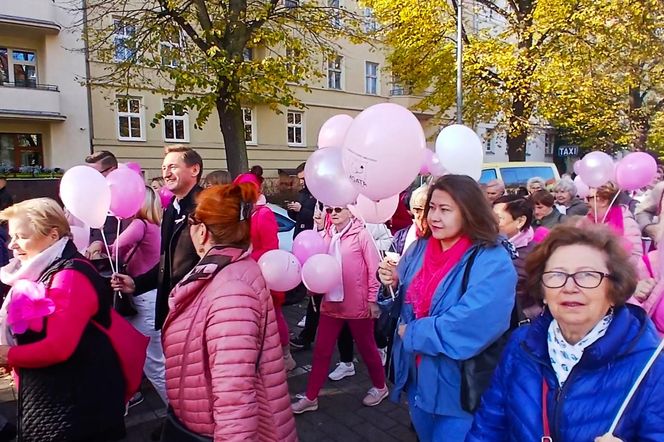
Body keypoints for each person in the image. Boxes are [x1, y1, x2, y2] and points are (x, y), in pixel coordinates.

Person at [467, 225, 664, 441]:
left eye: (587, 275)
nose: (569, 287)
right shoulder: (521, 345)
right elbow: (488, 428)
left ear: (614, 290)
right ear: (542, 292)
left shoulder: (652, 365)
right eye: (557, 275)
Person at [378, 175, 517, 442]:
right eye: (432, 207)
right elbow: (401, 306)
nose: (434, 217)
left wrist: (413, 333)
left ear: (469, 212)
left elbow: (473, 323)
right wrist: (391, 283)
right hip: (419, 380)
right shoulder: (419, 248)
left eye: (445, 209)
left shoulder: (492, 259)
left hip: (460, 389)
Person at [161, 183, 297, 441]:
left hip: (214, 431)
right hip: (201, 422)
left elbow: (235, 395)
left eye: (191, 222)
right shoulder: (223, 272)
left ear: (202, 231)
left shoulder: (232, 291)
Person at [0, 198, 126, 441]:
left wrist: (6, 354)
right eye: (12, 236)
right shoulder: (42, 270)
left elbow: (58, 348)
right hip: (59, 398)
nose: (12, 245)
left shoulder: (68, 276)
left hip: (77, 405)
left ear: (52, 235)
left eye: (22, 236)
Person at [291, 205, 387, 414]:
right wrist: (312, 287)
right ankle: (311, 397)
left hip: (357, 305)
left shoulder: (362, 235)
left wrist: (372, 300)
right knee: (321, 352)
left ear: (351, 211)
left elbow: (374, 270)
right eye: (329, 210)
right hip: (331, 305)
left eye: (338, 209)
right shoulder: (324, 237)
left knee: (368, 349)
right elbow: (316, 266)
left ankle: (381, 387)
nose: (333, 213)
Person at [87, 186, 167, 404]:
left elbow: (115, 249)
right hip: (151, 295)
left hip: (143, 296)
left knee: (153, 363)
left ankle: (178, 416)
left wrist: (97, 244)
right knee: (152, 355)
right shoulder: (156, 225)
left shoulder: (140, 225)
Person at [111, 145, 203, 331]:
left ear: (194, 169)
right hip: (172, 309)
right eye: (163, 168)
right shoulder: (170, 211)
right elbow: (166, 263)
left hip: (197, 310)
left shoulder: (207, 207)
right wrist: (136, 283)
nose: (166, 174)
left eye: (173, 167)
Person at [234, 172, 296, 371]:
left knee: (275, 316)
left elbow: (271, 248)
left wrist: (246, 255)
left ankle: (287, 356)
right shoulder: (245, 214)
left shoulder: (264, 213)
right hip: (248, 274)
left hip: (265, 273)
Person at [493, 195, 543, 322]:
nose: (491, 223)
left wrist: (522, 316)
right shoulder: (485, 246)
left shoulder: (536, 255)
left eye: (498, 218)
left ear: (520, 221)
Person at [586, 182, 643, 270]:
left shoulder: (627, 223)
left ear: (604, 201)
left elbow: (636, 260)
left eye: (589, 198)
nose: (585, 201)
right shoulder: (584, 221)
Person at [85, 150, 124, 243]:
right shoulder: (94, 193)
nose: (91, 178)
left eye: (95, 174)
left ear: (112, 170)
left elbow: (126, 234)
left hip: (115, 254)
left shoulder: (125, 194)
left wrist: (100, 244)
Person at [287, 162, 317, 237]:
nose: (301, 182)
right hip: (299, 235)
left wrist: (301, 209)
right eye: (299, 179)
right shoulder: (301, 193)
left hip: (311, 236)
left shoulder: (319, 193)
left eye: (303, 179)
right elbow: (297, 218)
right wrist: (291, 210)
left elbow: (318, 217)